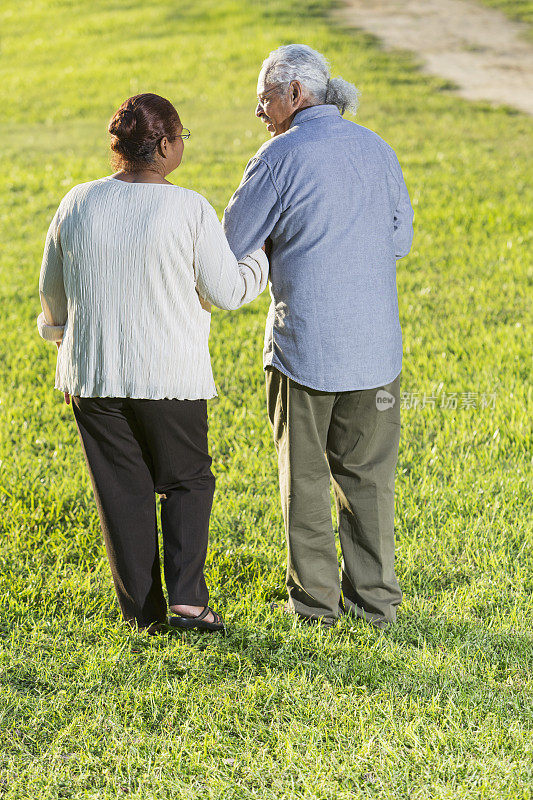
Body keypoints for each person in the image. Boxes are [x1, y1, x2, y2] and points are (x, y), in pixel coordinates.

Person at [37, 93, 268, 634]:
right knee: (187, 480)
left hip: (92, 376)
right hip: (168, 375)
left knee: (123, 492)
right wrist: (262, 257)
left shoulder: (78, 202)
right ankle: (189, 601)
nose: (183, 145)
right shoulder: (190, 208)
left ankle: (144, 614)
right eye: (182, 136)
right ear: (164, 146)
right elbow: (227, 292)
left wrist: (63, 342)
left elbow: (53, 294)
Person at [223, 45, 414, 629]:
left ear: (296, 94)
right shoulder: (378, 148)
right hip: (377, 350)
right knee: (370, 483)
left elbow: (230, 243)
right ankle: (375, 603)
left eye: (264, 98)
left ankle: (315, 608)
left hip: (305, 350)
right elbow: (400, 241)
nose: (259, 111)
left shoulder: (278, 157)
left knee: (305, 481)